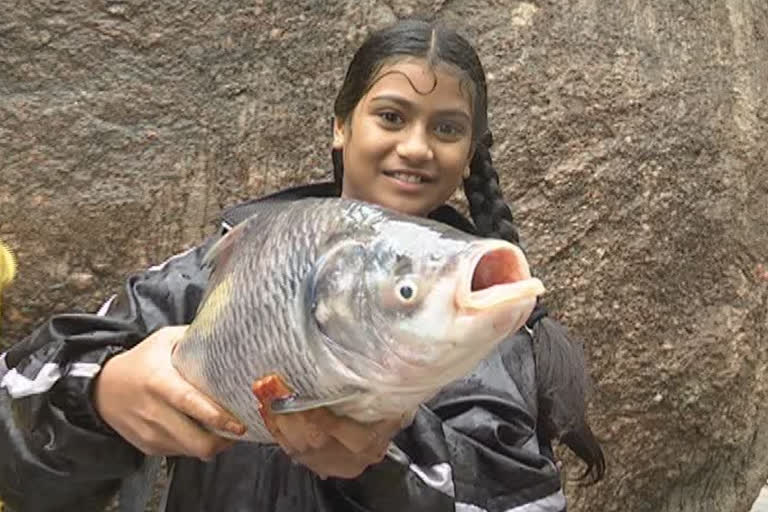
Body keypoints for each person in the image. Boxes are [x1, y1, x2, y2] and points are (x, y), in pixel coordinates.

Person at [0, 18, 605, 512]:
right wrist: (103, 395)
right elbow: (15, 403)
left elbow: (518, 500)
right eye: (391, 116)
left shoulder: (481, 324)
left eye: (446, 129)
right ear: (342, 126)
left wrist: (383, 468)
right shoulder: (226, 262)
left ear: (469, 153)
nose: (416, 147)